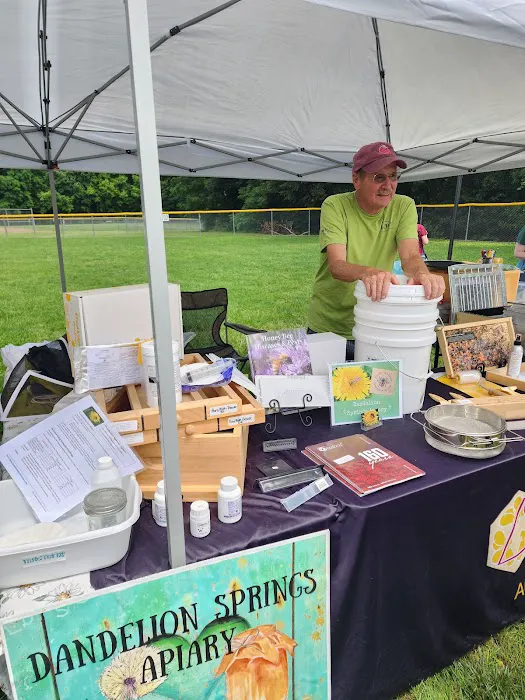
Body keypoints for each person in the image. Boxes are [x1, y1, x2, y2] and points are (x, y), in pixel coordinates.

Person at [307, 142, 445, 358]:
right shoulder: (335, 205)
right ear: (356, 179)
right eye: (378, 178)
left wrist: (422, 275)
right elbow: (337, 265)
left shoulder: (404, 206)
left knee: (376, 390)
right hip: (330, 325)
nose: (388, 185)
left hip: (375, 323)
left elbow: (409, 255)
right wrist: (368, 272)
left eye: (393, 177)